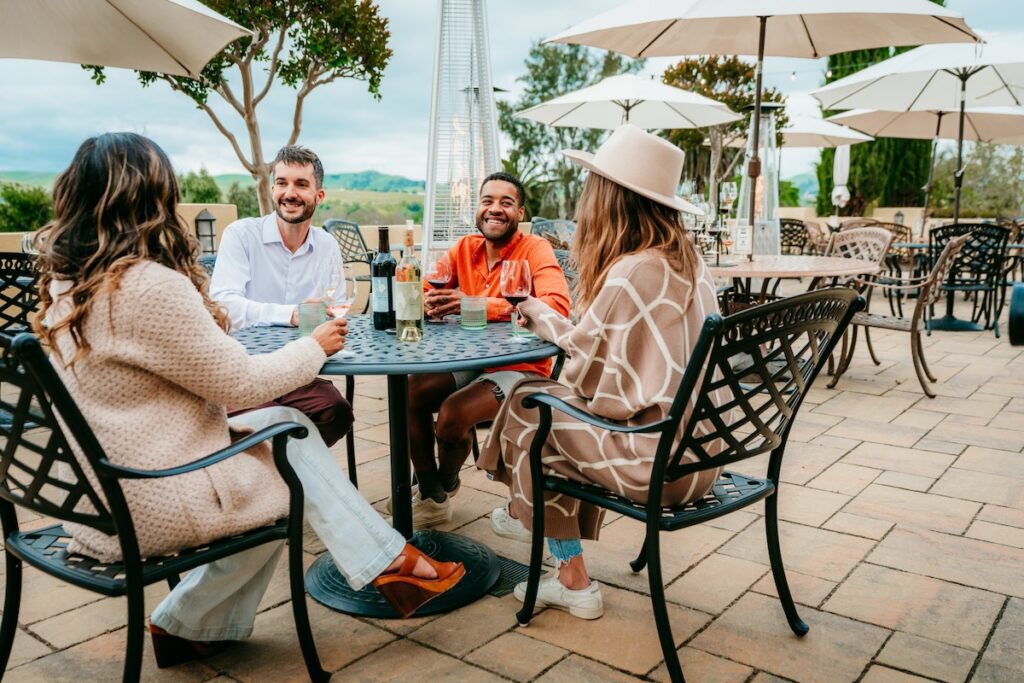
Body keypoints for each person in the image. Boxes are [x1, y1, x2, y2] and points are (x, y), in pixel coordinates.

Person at [33, 133, 464, 668]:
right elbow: (238, 383)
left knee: (287, 428)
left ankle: (190, 624)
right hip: (146, 496)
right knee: (288, 471)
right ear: (150, 198)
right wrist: (313, 346)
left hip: (96, 493)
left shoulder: (70, 283)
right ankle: (387, 563)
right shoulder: (146, 286)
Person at [477, 125, 729, 620]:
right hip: (705, 457)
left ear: (610, 198)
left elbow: (587, 384)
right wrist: (545, 315)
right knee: (541, 408)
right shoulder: (687, 261)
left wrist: (542, 322)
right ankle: (522, 512)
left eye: (593, 186)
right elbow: (603, 350)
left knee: (531, 409)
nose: (586, 199)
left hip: (663, 467)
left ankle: (562, 566)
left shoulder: (632, 271)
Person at [394, 172, 571, 528]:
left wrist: (475, 304)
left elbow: (556, 307)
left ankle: (443, 484)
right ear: (477, 208)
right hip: (471, 358)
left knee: (452, 413)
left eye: (506, 202)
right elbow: (427, 286)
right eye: (488, 201)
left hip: (521, 365)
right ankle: (431, 493)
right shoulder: (464, 248)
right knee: (409, 392)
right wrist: (426, 300)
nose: (495, 209)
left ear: (520, 212)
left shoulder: (535, 249)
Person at [210, 145, 352, 447]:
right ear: (272, 189)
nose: (290, 193)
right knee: (272, 420)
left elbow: (335, 309)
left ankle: (284, 471)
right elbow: (223, 306)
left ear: (319, 195)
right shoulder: (241, 235)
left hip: (298, 371)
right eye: (282, 183)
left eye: (301, 184)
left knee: (336, 412)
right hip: (243, 369)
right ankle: (281, 473)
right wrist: (291, 314)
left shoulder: (327, 245)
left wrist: (326, 317)